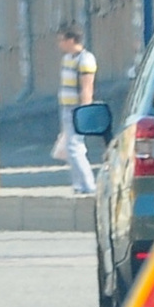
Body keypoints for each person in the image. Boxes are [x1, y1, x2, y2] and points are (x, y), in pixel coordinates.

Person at [54, 24, 98, 197]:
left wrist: (84, 112)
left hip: (77, 110)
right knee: (70, 148)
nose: (59, 44)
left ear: (71, 40)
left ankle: (89, 186)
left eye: (62, 40)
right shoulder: (67, 59)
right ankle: (78, 185)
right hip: (66, 107)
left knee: (74, 147)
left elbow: (87, 88)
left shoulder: (86, 60)